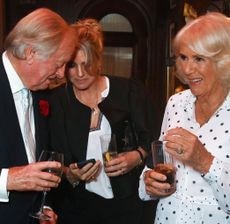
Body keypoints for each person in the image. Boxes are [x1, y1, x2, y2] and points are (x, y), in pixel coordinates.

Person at [49, 18, 151, 224]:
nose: (79, 74)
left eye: (86, 65)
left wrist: (137, 156)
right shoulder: (56, 101)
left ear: (99, 60)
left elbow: (155, 138)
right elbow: (47, 155)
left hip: (127, 205)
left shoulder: (130, 91)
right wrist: (70, 174)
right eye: (72, 65)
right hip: (76, 209)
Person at [139, 12, 230, 223]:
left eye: (199, 58)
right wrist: (150, 182)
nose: (188, 69)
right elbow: (159, 162)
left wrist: (204, 161)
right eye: (183, 57)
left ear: (223, 61)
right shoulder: (176, 103)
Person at [0, 8, 75, 224]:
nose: (62, 74)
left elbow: (35, 162)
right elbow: (18, 176)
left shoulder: (40, 92)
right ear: (31, 53)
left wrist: (44, 206)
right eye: (59, 63)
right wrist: (8, 179)